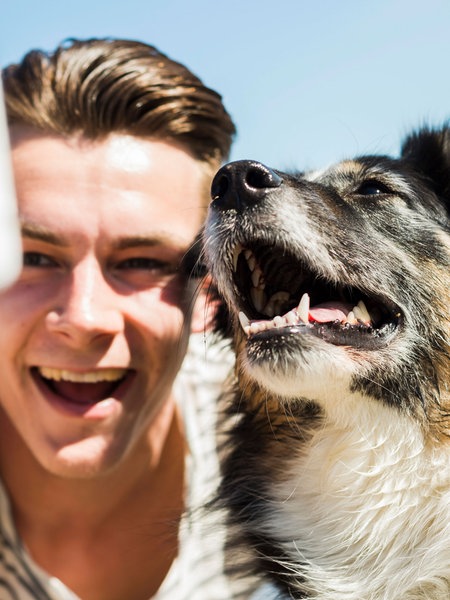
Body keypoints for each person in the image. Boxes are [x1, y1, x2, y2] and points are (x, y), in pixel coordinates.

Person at [0, 37, 259, 600]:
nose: (84, 317)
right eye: (35, 258)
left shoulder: (281, 463)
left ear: (212, 295)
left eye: (142, 263)